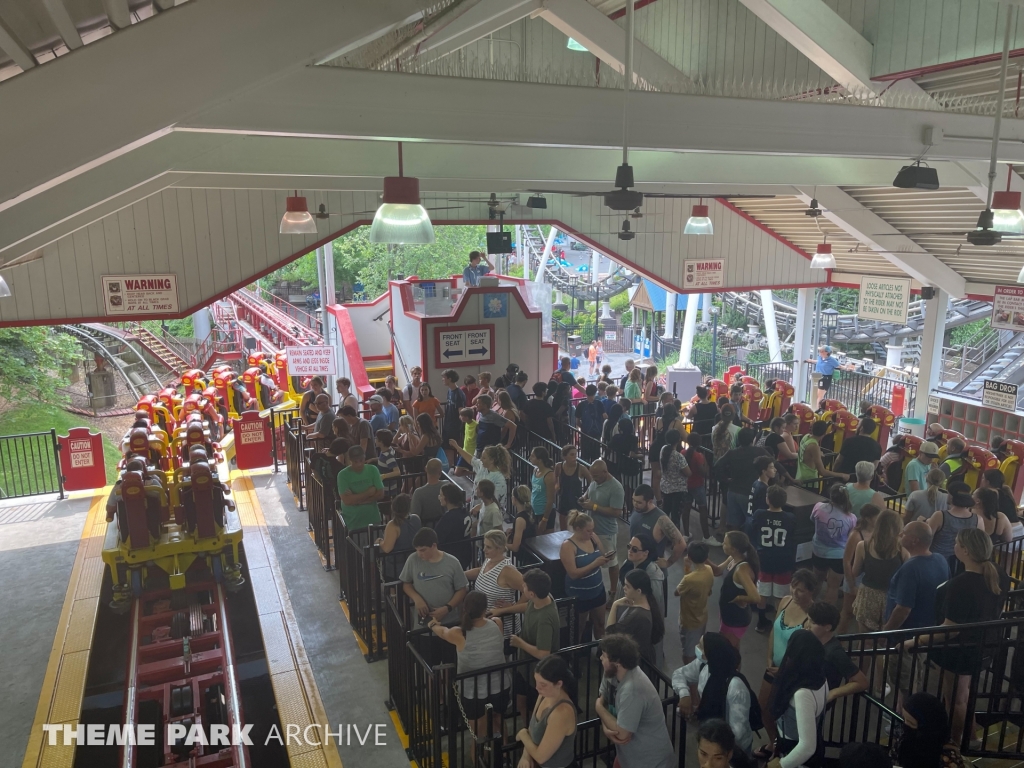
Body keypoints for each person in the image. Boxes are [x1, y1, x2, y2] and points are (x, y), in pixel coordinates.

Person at [915, 528, 1007, 745]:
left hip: (959, 651)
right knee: (964, 694)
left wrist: (914, 641)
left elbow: (950, 629)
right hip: (984, 645)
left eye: (957, 543)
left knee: (955, 700)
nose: (954, 546)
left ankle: (956, 745)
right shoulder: (998, 573)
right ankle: (972, 735)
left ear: (965, 550)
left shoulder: (960, 585)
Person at [428, 590, 508, 761]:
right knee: (499, 721)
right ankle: (506, 755)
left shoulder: (459, 633)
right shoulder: (497, 623)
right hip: (500, 685)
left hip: (473, 692)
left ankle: (480, 761)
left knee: (478, 735)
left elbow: (442, 632)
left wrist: (432, 624)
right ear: (485, 608)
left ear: (464, 609)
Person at [755, 569, 817, 760]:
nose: (795, 593)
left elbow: (805, 656)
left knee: (781, 714)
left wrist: (782, 670)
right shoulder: (785, 601)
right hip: (773, 668)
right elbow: (774, 630)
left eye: (801, 590)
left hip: (791, 676)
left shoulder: (812, 618)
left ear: (811, 592)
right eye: (793, 587)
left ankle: (780, 748)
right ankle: (775, 742)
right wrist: (769, 657)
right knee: (763, 709)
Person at [596, 634, 677, 768]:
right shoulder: (611, 673)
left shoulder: (632, 690)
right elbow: (602, 697)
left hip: (650, 762)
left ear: (617, 662)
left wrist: (598, 708)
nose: (600, 658)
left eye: (604, 655)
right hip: (628, 758)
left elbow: (622, 734)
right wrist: (606, 728)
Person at [491, 569, 562, 723]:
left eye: (524, 586)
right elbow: (528, 606)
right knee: (520, 701)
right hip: (525, 668)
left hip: (538, 671)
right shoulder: (542, 599)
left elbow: (544, 653)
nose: (522, 587)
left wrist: (519, 643)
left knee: (534, 708)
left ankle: (534, 733)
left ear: (531, 593)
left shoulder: (545, 619)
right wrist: (504, 610)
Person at [674, 633, 755, 755]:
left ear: (711, 653)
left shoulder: (736, 688)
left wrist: (715, 752)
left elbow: (738, 733)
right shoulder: (704, 665)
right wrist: (684, 694)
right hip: (711, 739)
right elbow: (679, 674)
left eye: (701, 646)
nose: (697, 648)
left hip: (732, 750)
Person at [766, 630, 829, 768]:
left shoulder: (802, 694)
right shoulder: (820, 678)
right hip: (795, 747)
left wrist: (780, 765)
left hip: (795, 755)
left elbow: (807, 747)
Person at [883, 521, 950, 631]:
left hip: (909, 632)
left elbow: (903, 609)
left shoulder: (910, 568)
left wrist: (886, 631)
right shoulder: (941, 559)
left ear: (914, 540)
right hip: (930, 626)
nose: (900, 535)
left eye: (904, 533)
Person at [514, 654, 578, 768]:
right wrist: (526, 756)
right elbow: (532, 730)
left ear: (559, 683)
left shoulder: (562, 712)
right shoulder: (544, 694)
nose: (537, 687)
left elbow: (541, 757)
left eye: (543, 684)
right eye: (536, 682)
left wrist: (523, 735)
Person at [559, 511, 614, 640]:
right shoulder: (568, 546)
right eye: (588, 531)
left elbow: (601, 554)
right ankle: (575, 656)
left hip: (597, 590)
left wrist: (607, 557)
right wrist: (595, 563)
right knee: (578, 628)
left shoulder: (593, 538)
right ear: (578, 529)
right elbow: (573, 574)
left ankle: (601, 653)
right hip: (579, 595)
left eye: (592, 530)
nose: (591, 533)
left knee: (600, 623)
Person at [751, 486, 798, 634]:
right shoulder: (790, 518)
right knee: (780, 596)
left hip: (764, 558)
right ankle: (779, 625)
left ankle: (761, 621)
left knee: (762, 592)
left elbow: (752, 530)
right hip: (783, 560)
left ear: (767, 500)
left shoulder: (759, 514)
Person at [851, 508, 905, 632]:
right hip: (892, 597)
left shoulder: (863, 546)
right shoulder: (902, 548)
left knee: (865, 639)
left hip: (868, 596)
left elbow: (855, 572)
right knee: (885, 638)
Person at [400, 527, 468, 624]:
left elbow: (461, 589)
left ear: (434, 545)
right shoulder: (413, 560)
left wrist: (447, 608)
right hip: (423, 623)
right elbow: (406, 584)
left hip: (449, 622)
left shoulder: (452, 562)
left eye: (423, 550)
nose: (419, 554)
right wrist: (417, 598)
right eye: (417, 550)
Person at [465, 530, 525, 638]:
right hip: (486, 626)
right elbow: (480, 571)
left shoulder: (507, 570)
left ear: (500, 548)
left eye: (489, 547)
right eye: (485, 546)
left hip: (503, 630)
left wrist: (513, 607)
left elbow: (529, 590)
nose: (484, 550)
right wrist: (461, 574)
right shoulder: (489, 560)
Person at [806, 602, 868, 703]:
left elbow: (862, 682)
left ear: (827, 627)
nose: (807, 625)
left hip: (816, 702)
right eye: (808, 619)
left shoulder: (834, 652)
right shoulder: (813, 640)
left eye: (812, 622)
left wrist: (833, 693)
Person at [580, 459, 625, 593]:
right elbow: (588, 493)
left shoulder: (616, 488)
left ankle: (613, 592)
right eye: (592, 476)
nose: (593, 479)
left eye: (596, 476)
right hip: (591, 531)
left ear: (605, 472)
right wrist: (583, 498)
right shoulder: (595, 481)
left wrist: (594, 506)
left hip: (605, 531)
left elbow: (616, 512)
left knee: (611, 562)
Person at [716, 427, 770, 535]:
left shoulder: (732, 453)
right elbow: (775, 463)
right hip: (749, 493)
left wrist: (724, 479)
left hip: (733, 491)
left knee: (733, 525)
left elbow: (717, 465)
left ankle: (733, 548)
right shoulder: (759, 451)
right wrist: (790, 478)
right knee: (751, 522)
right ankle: (748, 549)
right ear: (752, 439)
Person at [712, 531, 761, 650]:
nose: (722, 544)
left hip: (736, 617)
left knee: (728, 651)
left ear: (733, 549)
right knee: (733, 649)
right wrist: (703, 559)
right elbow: (718, 571)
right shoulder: (732, 558)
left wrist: (740, 598)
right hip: (728, 613)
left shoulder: (742, 570)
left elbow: (756, 597)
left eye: (725, 543)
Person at [607, 569, 665, 665]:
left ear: (638, 591)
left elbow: (610, 634)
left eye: (628, 586)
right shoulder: (648, 603)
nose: (624, 588)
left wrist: (615, 605)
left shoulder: (637, 615)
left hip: (635, 662)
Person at [811, 484, 857, 604]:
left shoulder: (819, 507)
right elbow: (850, 537)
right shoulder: (851, 518)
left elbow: (812, 519)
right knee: (833, 587)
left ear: (831, 495)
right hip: (838, 555)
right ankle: (826, 615)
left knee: (816, 581)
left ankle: (808, 607)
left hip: (819, 551)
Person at [839, 503, 880, 634]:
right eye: (877, 517)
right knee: (848, 612)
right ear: (868, 519)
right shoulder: (856, 535)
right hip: (854, 576)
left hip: (867, 577)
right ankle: (839, 639)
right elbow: (846, 561)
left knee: (863, 615)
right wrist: (851, 585)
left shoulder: (878, 532)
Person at [896, 692, 967, 768]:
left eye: (911, 723)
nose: (906, 725)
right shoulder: (904, 741)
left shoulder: (947, 754)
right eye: (904, 720)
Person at [629, 484, 687, 567]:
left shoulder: (661, 519)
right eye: (633, 500)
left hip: (652, 570)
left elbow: (681, 544)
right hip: (634, 566)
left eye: (639, 502)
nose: (635, 504)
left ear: (650, 501)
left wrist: (668, 562)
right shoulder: (637, 509)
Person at [926, 481, 978, 566]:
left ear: (951, 496)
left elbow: (926, 539)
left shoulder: (940, 516)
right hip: (963, 565)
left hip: (938, 563)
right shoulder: (978, 519)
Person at [335, 446, 383, 531]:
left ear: (364, 457)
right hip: (352, 523)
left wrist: (356, 499)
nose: (359, 464)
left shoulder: (373, 469)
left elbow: (380, 494)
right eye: (355, 462)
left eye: (361, 460)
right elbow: (347, 501)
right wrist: (368, 493)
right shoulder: (342, 475)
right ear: (350, 460)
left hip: (373, 520)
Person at [376, 493, 422, 579]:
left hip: (395, 568)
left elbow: (387, 548)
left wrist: (379, 541)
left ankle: (392, 593)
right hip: (413, 563)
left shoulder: (393, 525)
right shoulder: (416, 519)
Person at [435, 483, 475, 568]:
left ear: (447, 499)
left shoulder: (448, 518)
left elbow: (437, 538)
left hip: (452, 557)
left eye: (441, 495)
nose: (439, 498)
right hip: (465, 553)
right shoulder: (465, 512)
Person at [555, 444, 592, 532]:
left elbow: (592, 483)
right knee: (563, 531)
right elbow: (555, 477)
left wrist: (585, 495)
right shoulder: (559, 466)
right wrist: (557, 485)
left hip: (576, 503)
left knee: (578, 529)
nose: (575, 457)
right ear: (565, 456)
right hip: (563, 501)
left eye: (575, 454)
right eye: (572, 454)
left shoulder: (581, 468)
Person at [659, 428, 691, 530]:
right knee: (675, 516)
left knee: (665, 512)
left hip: (665, 486)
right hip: (678, 490)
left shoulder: (663, 450)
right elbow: (688, 473)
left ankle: (663, 534)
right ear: (678, 440)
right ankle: (674, 539)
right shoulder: (679, 456)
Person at [684, 432, 712, 541]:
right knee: (703, 509)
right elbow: (704, 472)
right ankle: (706, 536)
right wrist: (706, 462)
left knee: (686, 508)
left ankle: (686, 534)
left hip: (686, 484)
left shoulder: (683, 452)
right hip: (697, 485)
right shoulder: (698, 456)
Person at [410, 458, 446, 528]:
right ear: (440, 472)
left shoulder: (418, 493)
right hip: (444, 527)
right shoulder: (447, 485)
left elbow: (414, 518)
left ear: (425, 469)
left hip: (425, 532)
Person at [530, 446, 557, 531]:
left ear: (540, 460)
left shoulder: (549, 475)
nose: (530, 458)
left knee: (545, 541)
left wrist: (545, 519)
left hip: (545, 512)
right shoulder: (535, 470)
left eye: (533, 456)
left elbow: (550, 500)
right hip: (535, 510)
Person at [576, 384, 605, 461]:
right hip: (597, 431)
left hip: (585, 432)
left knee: (585, 455)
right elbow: (604, 416)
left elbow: (577, 421)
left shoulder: (581, 405)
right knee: (595, 455)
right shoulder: (599, 403)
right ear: (595, 392)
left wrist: (583, 427)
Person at [441, 369, 466, 456]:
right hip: (448, 424)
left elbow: (461, 411)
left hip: (455, 426)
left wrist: (461, 427)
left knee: (453, 449)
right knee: (446, 447)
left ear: (450, 379)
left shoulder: (458, 394)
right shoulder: (449, 391)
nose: (442, 379)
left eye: (444, 377)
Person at [508, 485, 537, 554]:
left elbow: (515, 547)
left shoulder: (520, 519)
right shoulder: (531, 510)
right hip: (532, 549)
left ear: (515, 499)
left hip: (525, 554)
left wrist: (501, 545)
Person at [373, 429, 401, 498]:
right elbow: (383, 460)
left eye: (376, 438)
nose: (375, 439)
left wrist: (383, 476)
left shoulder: (388, 456)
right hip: (384, 486)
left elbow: (397, 472)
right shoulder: (385, 451)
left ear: (381, 442)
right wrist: (372, 459)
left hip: (388, 488)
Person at [749, 456, 776, 520]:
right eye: (772, 467)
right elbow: (763, 511)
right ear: (764, 471)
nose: (775, 470)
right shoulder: (764, 489)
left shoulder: (755, 483)